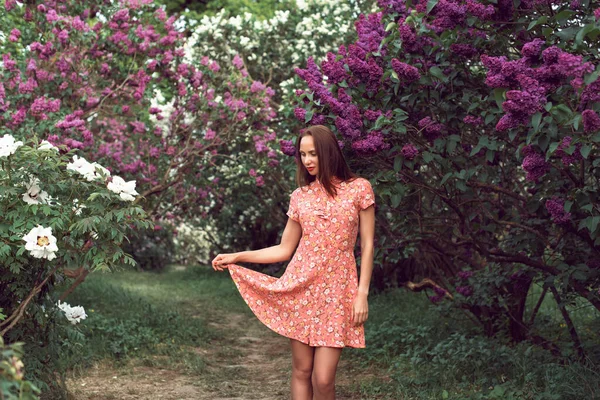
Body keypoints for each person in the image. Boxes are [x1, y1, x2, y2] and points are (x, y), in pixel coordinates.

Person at [211, 125, 375, 400]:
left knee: (323, 380)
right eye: (302, 155)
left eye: (313, 153)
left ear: (328, 152)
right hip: (300, 288)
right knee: (301, 371)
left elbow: (367, 245)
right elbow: (284, 249)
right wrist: (237, 256)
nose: (308, 160)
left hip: (337, 292)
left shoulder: (358, 189)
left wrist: (362, 294)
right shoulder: (300, 197)